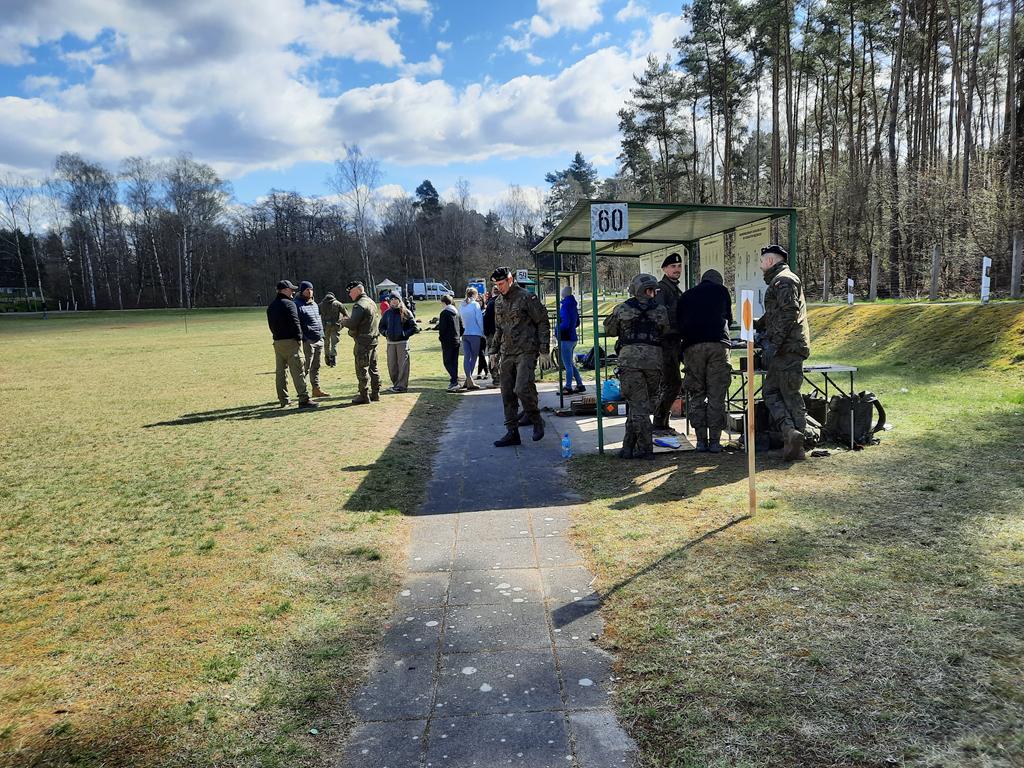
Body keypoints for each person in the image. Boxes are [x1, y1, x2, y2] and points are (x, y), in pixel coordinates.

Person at [754, 244, 811, 461]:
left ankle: (795, 441)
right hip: (787, 347)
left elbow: (789, 313)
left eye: (761, 262)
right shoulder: (782, 280)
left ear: (769, 261)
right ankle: (791, 434)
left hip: (787, 348)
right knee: (775, 392)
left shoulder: (784, 280)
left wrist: (773, 344)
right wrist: (759, 324)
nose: (761, 268)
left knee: (788, 395)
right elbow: (777, 313)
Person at [604, 274, 671, 459]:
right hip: (653, 363)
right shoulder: (661, 310)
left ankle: (645, 449)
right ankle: (627, 447)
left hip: (630, 362)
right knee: (639, 406)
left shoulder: (623, 308)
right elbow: (665, 331)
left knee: (638, 407)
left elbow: (609, 330)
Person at [491, 266, 550, 446]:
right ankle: (512, 432)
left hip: (526, 350)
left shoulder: (527, 297)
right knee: (507, 393)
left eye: (501, 284)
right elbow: (499, 329)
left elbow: (542, 322)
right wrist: (493, 351)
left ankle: (536, 419)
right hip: (507, 351)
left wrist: (544, 350)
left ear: (510, 280)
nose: (499, 288)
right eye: (496, 285)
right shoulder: (499, 302)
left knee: (522, 388)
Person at [677, 269, 733, 452]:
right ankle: (715, 442)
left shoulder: (686, 296)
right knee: (717, 394)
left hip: (692, 347)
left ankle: (701, 440)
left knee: (697, 394)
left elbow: (679, 324)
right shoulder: (722, 291)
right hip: (718, 345)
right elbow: (728, 319)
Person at [266, 280, 318, 409]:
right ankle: (304, 399)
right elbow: (296, 323)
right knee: (298, 371)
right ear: (283, 290)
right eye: (291, 289)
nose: (293, 292)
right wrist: (299, 338)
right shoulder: (290, 304)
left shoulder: (271, 306)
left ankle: (284, 400)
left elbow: (271, 326)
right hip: (291, 342)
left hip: (277, 342)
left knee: (281, 372)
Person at [652, 252, 685, 435]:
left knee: (673, 384)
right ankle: (659, 421)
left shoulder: (674, 289)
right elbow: (660, 316)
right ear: (664, 269)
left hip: (674, 342)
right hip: (665, 343)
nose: (677, 269)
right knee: (671, 383)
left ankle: (662, 421)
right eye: (673, 267)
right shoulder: (662, 289)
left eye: (679, 266)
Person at [337, 280, 382, 404]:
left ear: (357, 290)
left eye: (350, 292)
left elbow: (353, 323)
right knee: (374, 368)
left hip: (363, 341)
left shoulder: (360, 304)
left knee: (361, 369)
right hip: (373, 340)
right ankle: (376, 393)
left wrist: (344, 321)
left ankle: (364, 395)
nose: (350, 295)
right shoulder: (371, 302)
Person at [295, 281, 329, 399]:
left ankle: (316, 388)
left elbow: (318, 320)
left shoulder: (314, 304)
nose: (309, 291)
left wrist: (322, 335)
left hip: (319, 338)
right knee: (306, 367)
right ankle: (303, 392)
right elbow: (296, 323)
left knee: (316, 366)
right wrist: (304, 338)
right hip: (308, 340)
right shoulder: (297, 304)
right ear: (302, 291)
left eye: (311, 289)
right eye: (307, 290)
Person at [378, 293, 418, 392]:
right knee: (392, 366)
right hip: (391, 343)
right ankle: (395, 384)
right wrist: (386, 333)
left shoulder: (406, 312)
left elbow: (414, 327)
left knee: (403, 365)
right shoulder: (387, 313)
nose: (394, 301)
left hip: (402, 342)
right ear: (390, 301)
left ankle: (402, 386)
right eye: (392, 299)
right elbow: (381, 327)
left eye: (396, 299)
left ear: (399, 300)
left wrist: (404, 334)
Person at [557, 285, 585, 395]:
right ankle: (580, 384)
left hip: (565, 338)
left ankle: (568, 387)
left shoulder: (564, 306)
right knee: (570, 364)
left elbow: (565, 322)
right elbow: (577, 322)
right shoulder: (573, 305)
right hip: (573, 338)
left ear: (563, 294)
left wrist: (558, 330)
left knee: (567, 365)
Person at [459, 287, 485, 391]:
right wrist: (482, 332)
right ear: (475, 294)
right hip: (475, 333)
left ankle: (467, 379)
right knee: (474, 357)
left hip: (465, 333)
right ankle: (469, 379)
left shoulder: (462, 305)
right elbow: (479, 319)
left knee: (466, 357)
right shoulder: (475, 305)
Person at [437, 294, 463, 392]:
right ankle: (453, 381)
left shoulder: (444, 313)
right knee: (454, 362)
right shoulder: (456, 312)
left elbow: (442, 328)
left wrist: (441, 338)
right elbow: (462, 326)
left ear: (444, 303)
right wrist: (458, 335)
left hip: (447, 341)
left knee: (447, 362)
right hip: (456, 339)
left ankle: (454, 380)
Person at [319, 291, 347, 367]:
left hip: (325, 326)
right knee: (334, 343)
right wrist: (342, 323)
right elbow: (346, 314)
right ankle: (333, 360)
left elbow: (316, 315)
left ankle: (327, 357)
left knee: (326, 343)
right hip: (335, 325)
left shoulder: (321, 305)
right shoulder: (338, 304)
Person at [483, 286, 499, 388]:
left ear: (493, 292)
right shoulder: (506, 302)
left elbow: (486, 320)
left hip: (492, 334)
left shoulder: (490, 304)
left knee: (493, 356)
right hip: (505, 334)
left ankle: (496, 378)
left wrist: (487, 333)